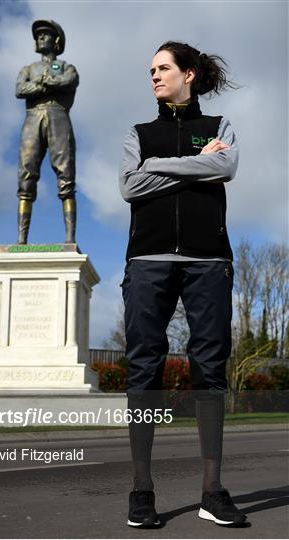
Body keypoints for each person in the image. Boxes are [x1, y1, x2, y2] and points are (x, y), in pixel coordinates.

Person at [119, 41, 247, 528]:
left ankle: (212, 493)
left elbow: (227, 166)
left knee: (210, 365)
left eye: (164, 68)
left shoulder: (218, 129)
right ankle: (142, 491)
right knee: (143, 368)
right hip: (148, 259)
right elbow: (129, 186)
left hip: (209, 259)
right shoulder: (138, 133)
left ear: (188, 74)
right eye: (151, 69)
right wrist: (194, 167)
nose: (154, 76)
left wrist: (157, 167)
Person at [15, 20, 79, 244]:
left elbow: (69, 81)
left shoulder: (66, 66)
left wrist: (41, 84)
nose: (41, 38)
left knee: (66, 177)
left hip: (58, 116)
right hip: (33, 118)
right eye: (39, 35)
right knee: (26, 175)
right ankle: (21, 240)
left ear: (56, 40)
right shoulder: (28, 69)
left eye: (46, 35)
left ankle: (70, 239)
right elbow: (20, 89)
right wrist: (48, 83)